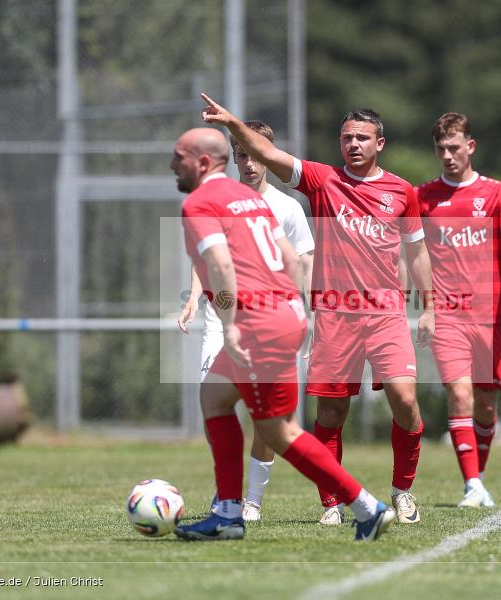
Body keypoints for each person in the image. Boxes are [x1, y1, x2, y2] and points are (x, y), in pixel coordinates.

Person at [201, 93, 435, 526]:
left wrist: (430, 308)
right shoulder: (323, 180)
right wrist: (232, 122)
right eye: (347, 137)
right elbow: (268, 152)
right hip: (334, 316)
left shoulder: (402, 191)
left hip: (385, 314)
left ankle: (402, 490)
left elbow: (417, 251)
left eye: (363, 138)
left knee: (405, 401)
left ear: (380, 143)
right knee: (330, 415)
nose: (354, 144)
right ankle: (332, 504)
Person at [171, 127, 395, 542]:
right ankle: (230, 511)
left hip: (257, 321)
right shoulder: (250, 200)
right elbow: (291, 259)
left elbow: (220, 266)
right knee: (216, 397)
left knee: (279, 432)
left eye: (178, 156)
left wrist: (233, 325)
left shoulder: (201, 202)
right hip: (283, 315)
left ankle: (366, 506)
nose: (172, 164)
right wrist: (298, 316)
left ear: (203, 162)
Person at [178, 120, 315, 522]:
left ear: (268, 156)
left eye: (256, 155)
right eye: (241, 154)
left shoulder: (287, 206)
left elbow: (301, 261)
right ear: (233, 157)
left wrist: (302, 310)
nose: (250, 163)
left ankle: (250, 500)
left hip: (267, 320)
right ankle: (229, 494)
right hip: (222, 318)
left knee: (267, 420)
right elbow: (208, 256)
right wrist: (191, 299)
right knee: (213, 402)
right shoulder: (219, 198)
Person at [415, 112, 501, 508]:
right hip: (446, 315)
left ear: (470, 147)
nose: (447, 155)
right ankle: (472, 483)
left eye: (454, 147)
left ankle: (478, 478)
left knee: (486, 403)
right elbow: (409, 253)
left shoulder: (496, 193)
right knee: (459, 392)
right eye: (440, 149)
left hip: (487, 315)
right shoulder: (423, 197)